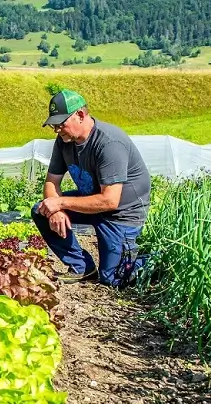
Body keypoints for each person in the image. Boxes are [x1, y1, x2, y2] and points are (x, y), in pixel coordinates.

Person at [33, 89, 151, 286]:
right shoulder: (64, 141)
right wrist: (56, 210)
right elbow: (52, 181)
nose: (57, 130)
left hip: (122, 213)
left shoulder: (109, 143)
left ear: (80, 115)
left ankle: (157, 259)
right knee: (42, 210)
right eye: (53, 125)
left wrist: (60, 202)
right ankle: (82, 267)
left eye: (61, 124)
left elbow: (110, 201)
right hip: (93, 202)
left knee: (113, 278)